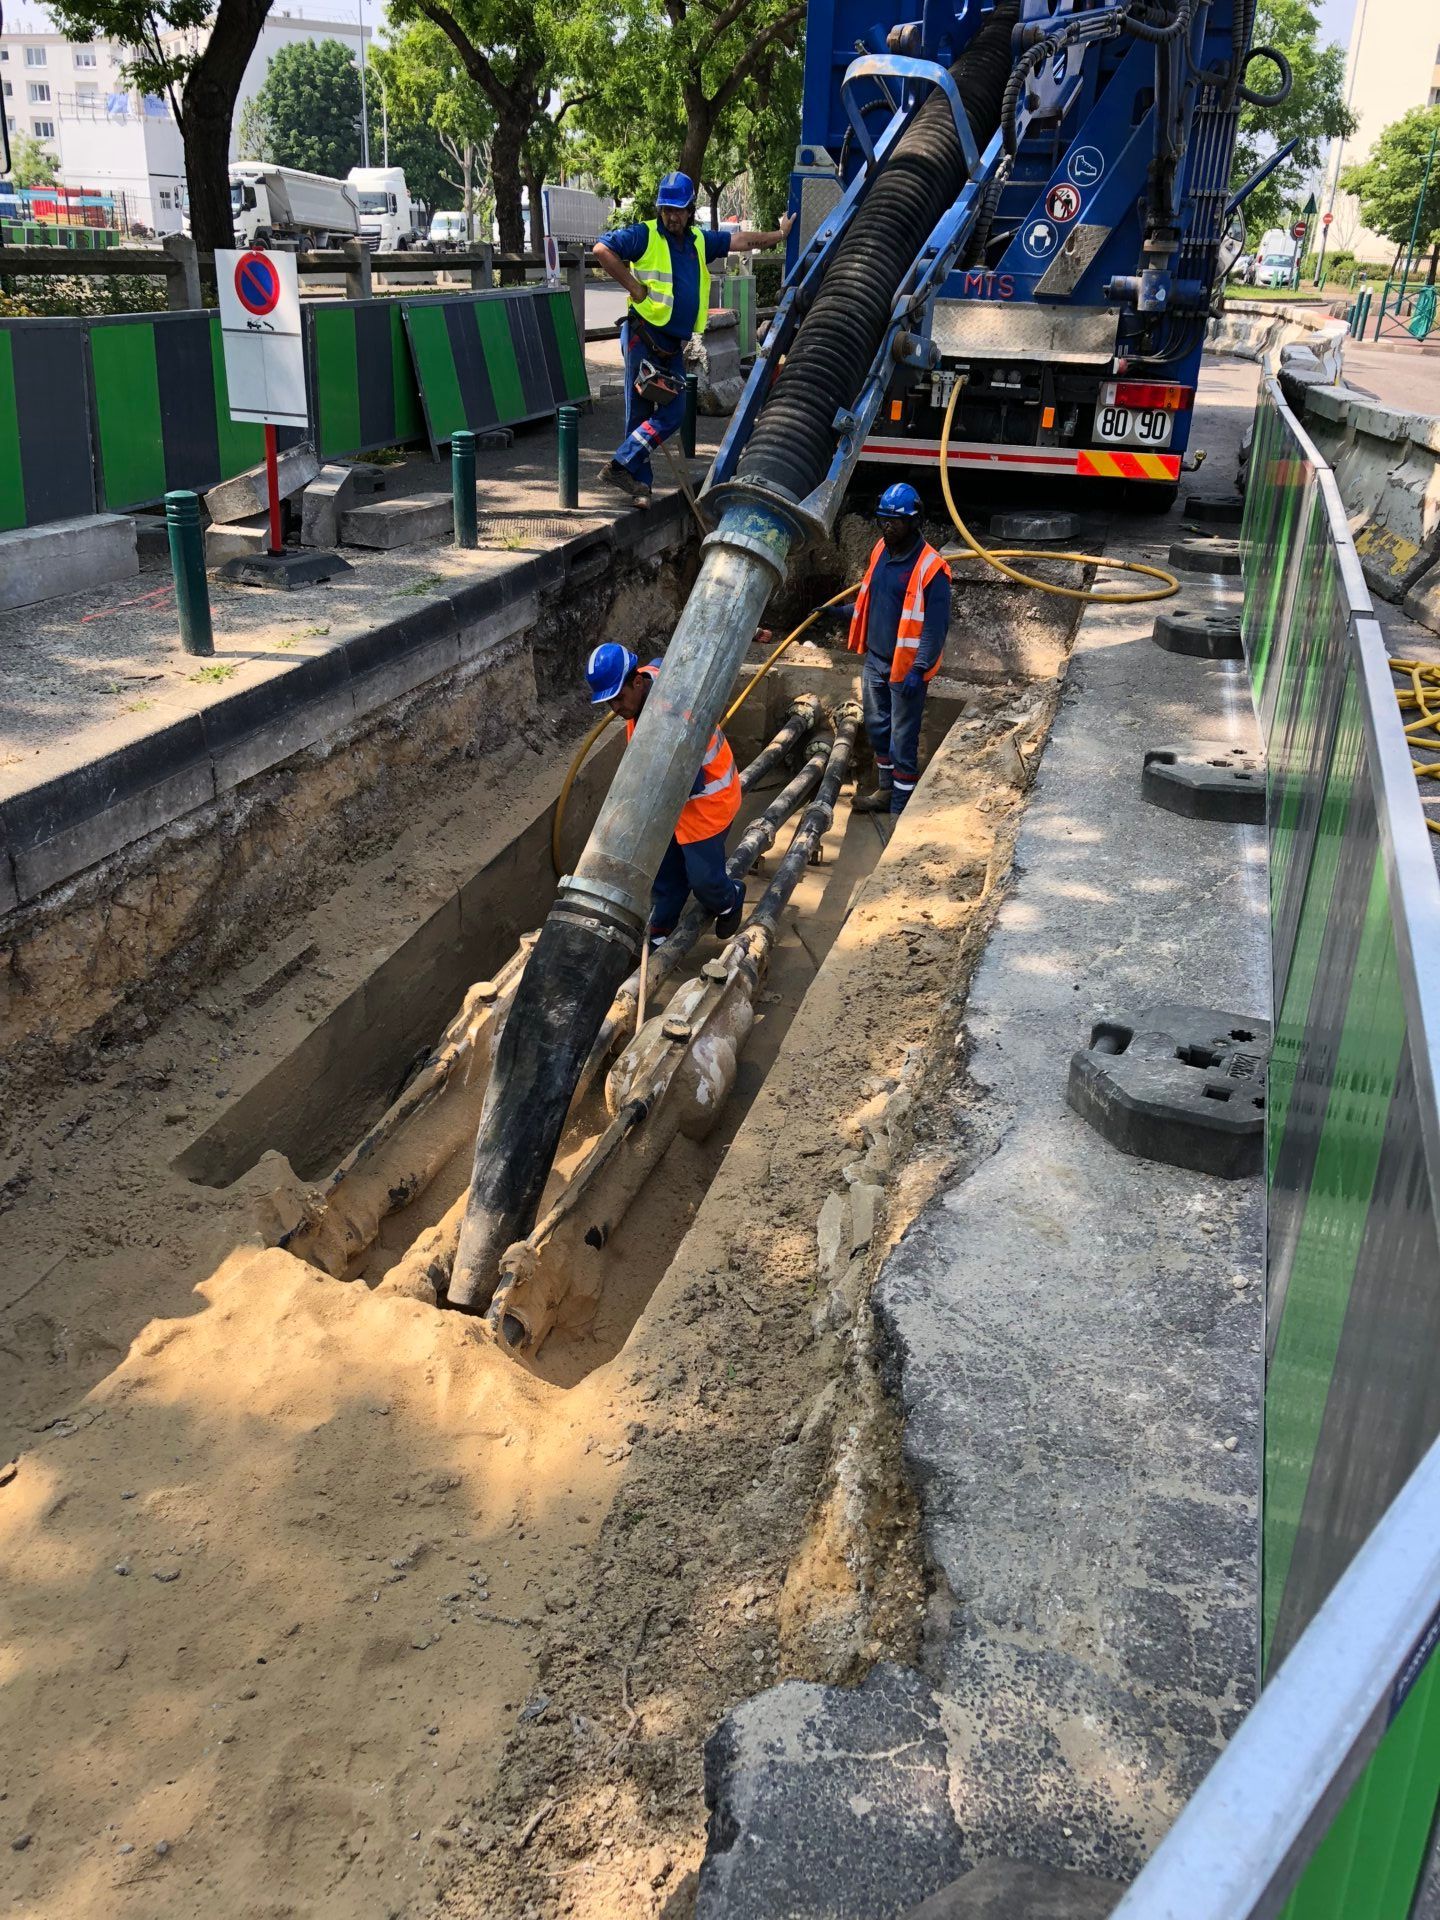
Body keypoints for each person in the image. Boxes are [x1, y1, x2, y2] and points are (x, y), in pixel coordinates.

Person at [593, 173, 795, 507]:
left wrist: (780, 234)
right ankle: (639, 486)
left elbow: (741, 241)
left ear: (690, 210)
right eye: (666, 209)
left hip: (672, 346)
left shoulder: (699, 241)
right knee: (639, 413)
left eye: (678, 210)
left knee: (674, 413)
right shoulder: (644, 234)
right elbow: (602, 249)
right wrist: (633, 287)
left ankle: (620, 464)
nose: (672, 216)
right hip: (643, 338)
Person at [584, 642, 746, 944]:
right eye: (609, 703)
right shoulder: (649, 677)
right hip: (673, 801)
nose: (616, 709)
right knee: (664, 872)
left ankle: (731, 899)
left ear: (636, 683)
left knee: (704, 881)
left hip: (707, 802)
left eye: (618, 699)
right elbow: (658, 660)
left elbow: (686, 782)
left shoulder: (671, 719)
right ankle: (661, 927)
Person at [843, 483, 952, 815]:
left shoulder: (931, 569)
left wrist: (919, 669)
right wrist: (842, 612)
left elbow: (935, 627)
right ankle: (886, 792)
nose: (887, 527)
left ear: (914, 521)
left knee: (902, 739)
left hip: (905, 669)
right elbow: (875, 601)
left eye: (895, 522)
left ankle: (899, 811)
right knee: (877, 729)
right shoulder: (880, 550)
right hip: (876, 661)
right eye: (883, 520)